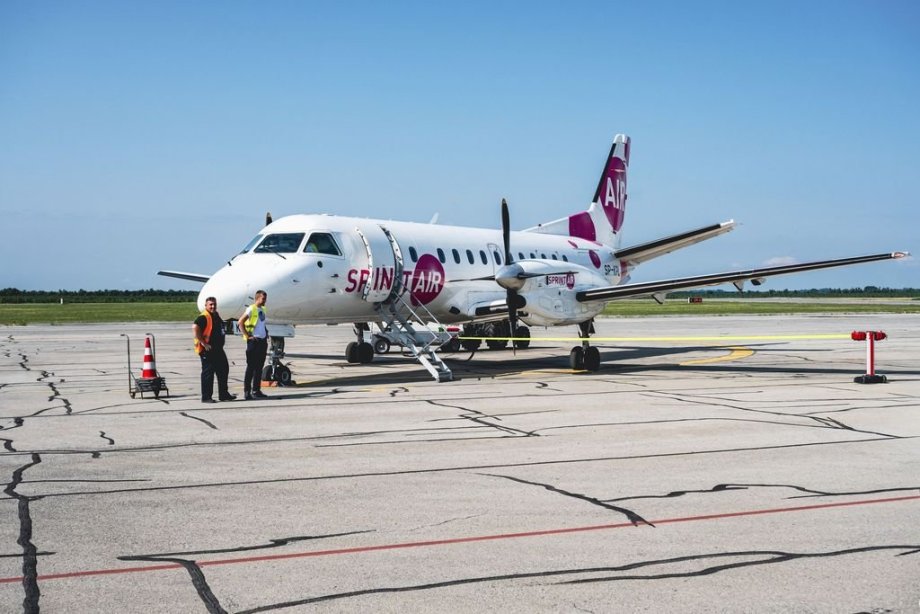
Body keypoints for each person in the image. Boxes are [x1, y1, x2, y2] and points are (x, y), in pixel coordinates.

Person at [193, 296, 235, 403]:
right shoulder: (204, 317)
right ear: (206, 306)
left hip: (218, 349)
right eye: (210, 305)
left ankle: (223, 394)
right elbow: (195, 327)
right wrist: (204, 343)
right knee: (208, 373)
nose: (213, 306)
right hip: (208, 350)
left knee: (223, 370)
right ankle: (206, 397)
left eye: (214, 304)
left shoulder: (215, 315)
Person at [238, 290, 269, 400]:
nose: (265, 301)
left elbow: (261, 323)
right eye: (263, 299)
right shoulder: (251, 309)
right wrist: (247, 336)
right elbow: (240, 322)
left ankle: (256, 390)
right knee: (251, 367)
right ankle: (247, 391)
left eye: (265, 299)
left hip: (262, 341)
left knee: (259, 368)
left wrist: (266, 332)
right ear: (257, 298)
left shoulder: (263, 309)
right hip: (254, 342)